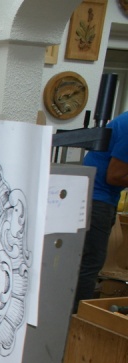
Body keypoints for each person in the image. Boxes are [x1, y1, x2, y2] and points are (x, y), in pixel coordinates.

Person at [74, 110, 128, 310]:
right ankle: (77, 319)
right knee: (89, 264)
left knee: (86, 263)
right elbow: (114, 176)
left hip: (98, 196)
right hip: (96, 199)